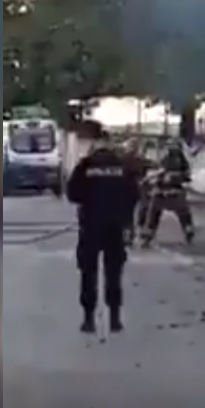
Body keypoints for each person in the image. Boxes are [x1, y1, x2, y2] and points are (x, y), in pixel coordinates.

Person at [65, 131, 140, 333]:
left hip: (90, 227)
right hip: (115, 227)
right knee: (114, 273)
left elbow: (72, 194)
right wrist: (125, 217)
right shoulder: (123, 167)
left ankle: (88, 320)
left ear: (96, 144)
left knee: (88, 273)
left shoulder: (85, 165)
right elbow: (134, 195)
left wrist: (90, 200)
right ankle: (115, 319)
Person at [139, 142, 195, 247]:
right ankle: (188, 231)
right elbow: (187, 177)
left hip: (162, 192)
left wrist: (147, 181)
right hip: (176, 192)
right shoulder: (183, 162)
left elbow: (157, 174)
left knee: (154, 214)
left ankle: (148, 236)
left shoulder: (166, 160)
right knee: (184, 214)